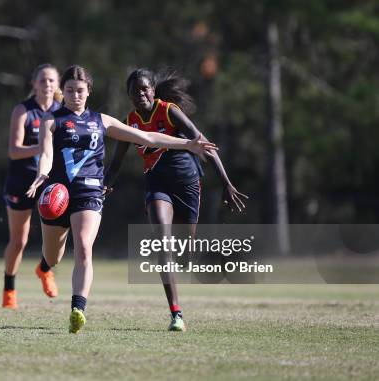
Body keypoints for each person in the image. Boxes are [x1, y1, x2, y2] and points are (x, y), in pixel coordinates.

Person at [25, 65, 217, 333]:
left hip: (89, 193)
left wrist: (188, 144)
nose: (75, 95)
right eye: (69, 90)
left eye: (80, 90)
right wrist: (42, 174)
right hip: (57, 194)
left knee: (83, 247)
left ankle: (77, 309)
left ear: (88, 92)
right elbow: (46, 154)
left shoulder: (102, 121)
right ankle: (45, 267)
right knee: (53, 255)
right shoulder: (51, 122)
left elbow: (148, 136)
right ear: (63, 92)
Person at [104, 68, 248, 332]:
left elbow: (203, 143)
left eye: (145, 88)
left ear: (153, 90)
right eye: (135, 91)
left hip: (187, 185)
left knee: (183, 255)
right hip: (157, 186)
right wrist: (103, 186)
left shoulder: (169, 111)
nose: (141, 94)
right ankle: (176, 314)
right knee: (162, 241)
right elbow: (115, 164)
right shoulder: (129, 122)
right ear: (129, 95)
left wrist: (227, 183)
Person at [1, 64, 62, 309]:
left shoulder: (62, 112)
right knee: (19, 241)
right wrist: (44, 147)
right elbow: (14, 151)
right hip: (22, 181)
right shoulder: (23, 110)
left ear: (57, 85)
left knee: (57, 236)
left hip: (51, 182)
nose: (47, 85)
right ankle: (9, 291)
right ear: (34, 84)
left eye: (51, 81)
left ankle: (44, 269)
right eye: (43, 80)